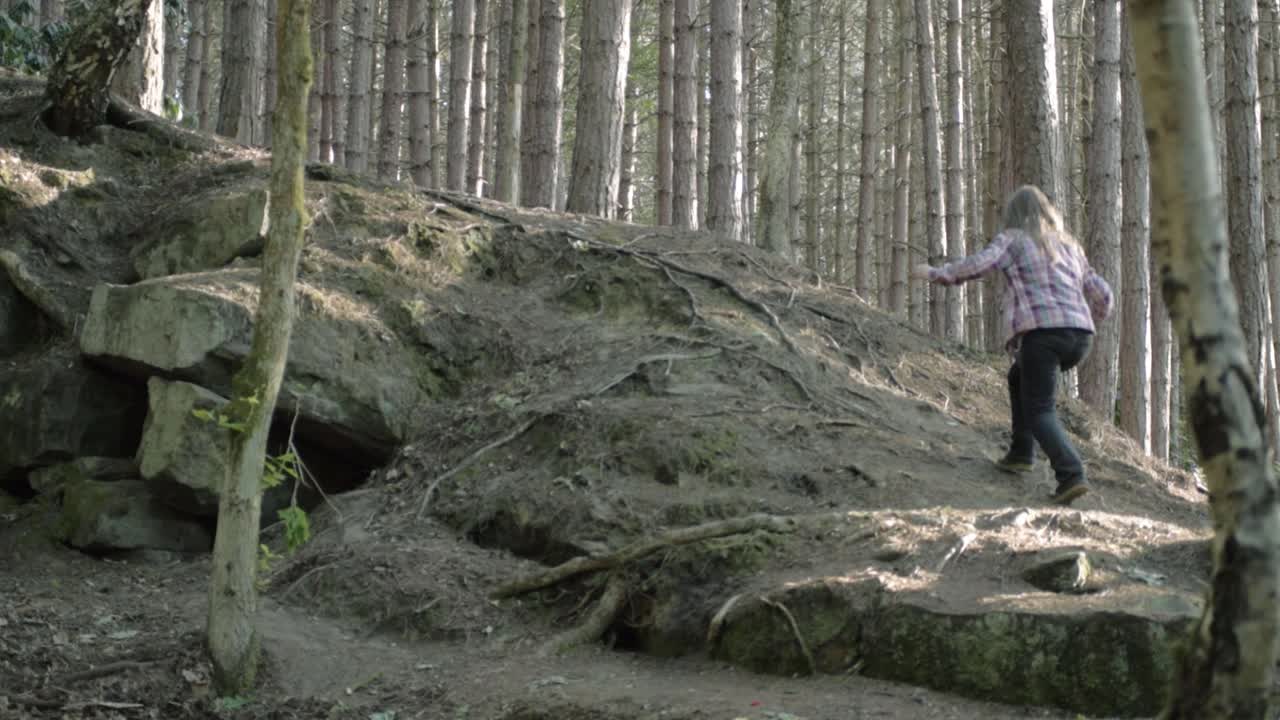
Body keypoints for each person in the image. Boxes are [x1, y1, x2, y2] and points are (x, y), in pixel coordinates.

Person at [911, 185, 1113, 505]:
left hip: (1043, 335)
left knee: (1040, 409)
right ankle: (1021, 452)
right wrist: (1087, 322)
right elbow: (1104, 294)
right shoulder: (1069, 246)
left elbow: (978, 264)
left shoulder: (1014, 240)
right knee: (1018, 376)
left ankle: (1071, 474)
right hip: (1080, 337)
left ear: (1013, 215)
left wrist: (937, 273)